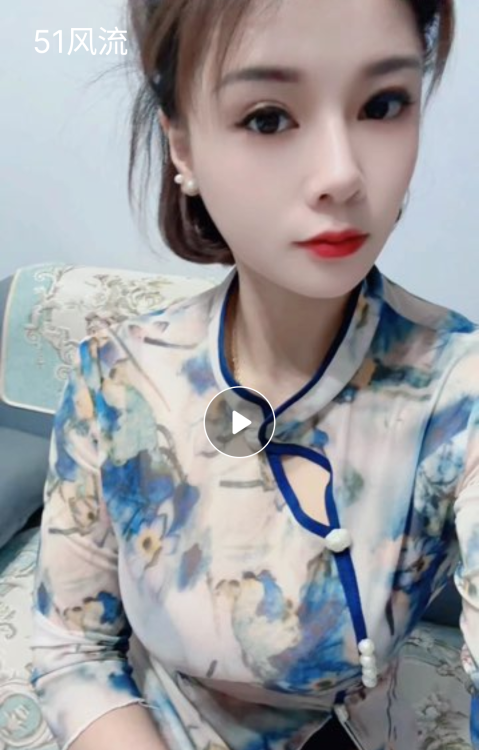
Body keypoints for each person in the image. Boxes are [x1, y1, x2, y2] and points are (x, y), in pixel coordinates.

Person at [30, 0, 479, 749]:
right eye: (268, 118)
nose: (341, 174)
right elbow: (73, 652)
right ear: (182, 147)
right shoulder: (119, 379)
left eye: (382, 105)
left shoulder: (455, 393)